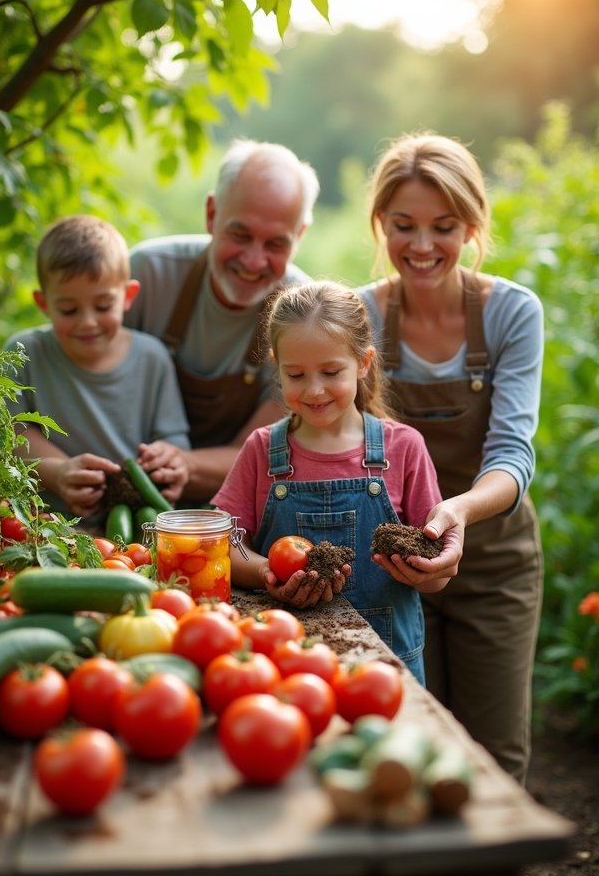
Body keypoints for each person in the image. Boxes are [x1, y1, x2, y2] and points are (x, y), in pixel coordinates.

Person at [357, 132, 544, 782]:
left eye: (444, 226)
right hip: (390, 560)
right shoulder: (362, 316)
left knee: (494, 758)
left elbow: (513, 454)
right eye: (403, 226)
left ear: (472, 224)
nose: (422, 246)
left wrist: (455, 512)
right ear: (380, 223)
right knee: (406, 750)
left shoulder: (512, 313)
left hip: (494, 563)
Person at [212, 281, 462, 684]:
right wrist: (265, 573)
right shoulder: (262, 450)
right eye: (295, 374)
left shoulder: (403, 447)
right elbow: (223, 540)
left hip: (386, 671)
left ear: (363, 363)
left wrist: (431, 571)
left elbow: (437, 571)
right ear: (276, 365)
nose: (313, 389)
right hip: (288, 663)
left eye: (331, 372)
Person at [124, 138, 320, 502]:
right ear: (212, 214)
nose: (253, 261)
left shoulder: (304, 317)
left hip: (239, 510)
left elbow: (263, 451)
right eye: (240, 235)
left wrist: (183, 464)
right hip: (126, 492)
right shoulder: (148, 275)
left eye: (276, 244)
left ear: (301, 235)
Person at [4, 214, 191, 529]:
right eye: (68, 310)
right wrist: (59, 473)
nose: (87, 322)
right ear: (43, 303)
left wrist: (169, 460)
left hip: (136, 528)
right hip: (44, 526)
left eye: (103, 306)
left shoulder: (152, 358)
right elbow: (11, 434)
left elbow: (174, 440)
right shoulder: (24, 353)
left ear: (128, 297)